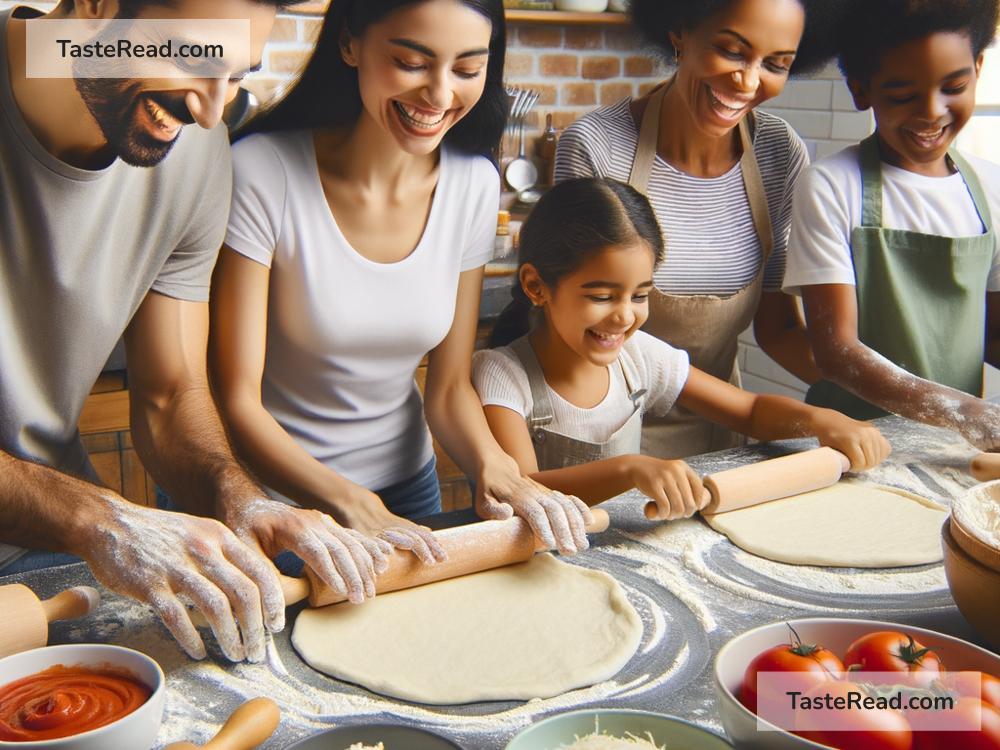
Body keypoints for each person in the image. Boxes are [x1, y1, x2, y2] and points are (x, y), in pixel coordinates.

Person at [0, 0, 390, 664]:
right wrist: (97, 518)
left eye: (235, 75)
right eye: (190, 57)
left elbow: (170, 392)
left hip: (47, 547)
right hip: (76, 523)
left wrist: (237, 496)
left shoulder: (192, 148)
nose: (212, 112)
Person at [210, 0, 594, 562]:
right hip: (284, 507)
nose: (439, 95)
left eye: (466, 70)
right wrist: (346, 501)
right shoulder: (263, 172)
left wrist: (496, 467)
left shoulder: (473, 185)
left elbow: (448, 388)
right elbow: (236, 399)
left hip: (408, 493)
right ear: (350, 45)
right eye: (412, 62)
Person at [473, 178, 891, 516]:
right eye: (601, 296)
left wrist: (819, 420)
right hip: (533, 560)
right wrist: (629, 469)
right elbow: (523, 487)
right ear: (536, 286)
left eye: (639, 296)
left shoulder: (639, 358)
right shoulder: (504, 374)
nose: (623, 317)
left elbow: (749, 412)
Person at [554, 0, 842, 459]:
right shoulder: (598, 148)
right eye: (731, 51)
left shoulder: (777, 152)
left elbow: (779, 327)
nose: (747, 81)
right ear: (681, 30)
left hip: (723, 435)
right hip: (609, 436)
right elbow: (571, 332)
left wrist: (860, 398)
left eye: (774, 64)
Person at [783, 0, 1000, 451]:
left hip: (953, 445)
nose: (931, 111)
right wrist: (967, 413)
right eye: (903, 95)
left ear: (978, 68)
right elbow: (836, 353)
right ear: (861, 89)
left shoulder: (991, 186)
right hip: (852, 440)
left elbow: (993, 333)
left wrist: (969, 419)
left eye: (954, 86)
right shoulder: (829, 186)